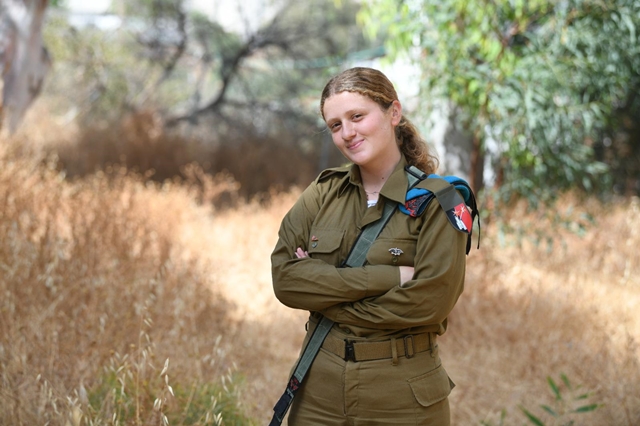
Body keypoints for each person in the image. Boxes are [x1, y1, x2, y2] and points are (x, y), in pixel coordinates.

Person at [271, 67, 473, 425]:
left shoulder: (441, 199)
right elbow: (286, 280)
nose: (347, 133)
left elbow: (429, 302)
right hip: (319, 389)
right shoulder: (323, 192)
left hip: (402, 394)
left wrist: (326, 299)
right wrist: (389, 277)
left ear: (393, 113)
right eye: (335, 125)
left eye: (357, 116)